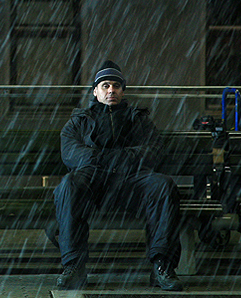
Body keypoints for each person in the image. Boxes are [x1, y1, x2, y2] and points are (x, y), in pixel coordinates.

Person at [53, 60, 183, 291]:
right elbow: (71, 152)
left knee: (163, 186)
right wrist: (108, 159)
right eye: (105, 85)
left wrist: (115, 158)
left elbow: (153, 150)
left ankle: (162, 265)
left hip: (131, 179)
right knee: (69, 185)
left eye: (116, 85)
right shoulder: (80, 121)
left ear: (123, 91)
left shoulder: (138, 119)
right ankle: (73, 266)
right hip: (93, 180)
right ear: (95, 91)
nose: (111, 90)